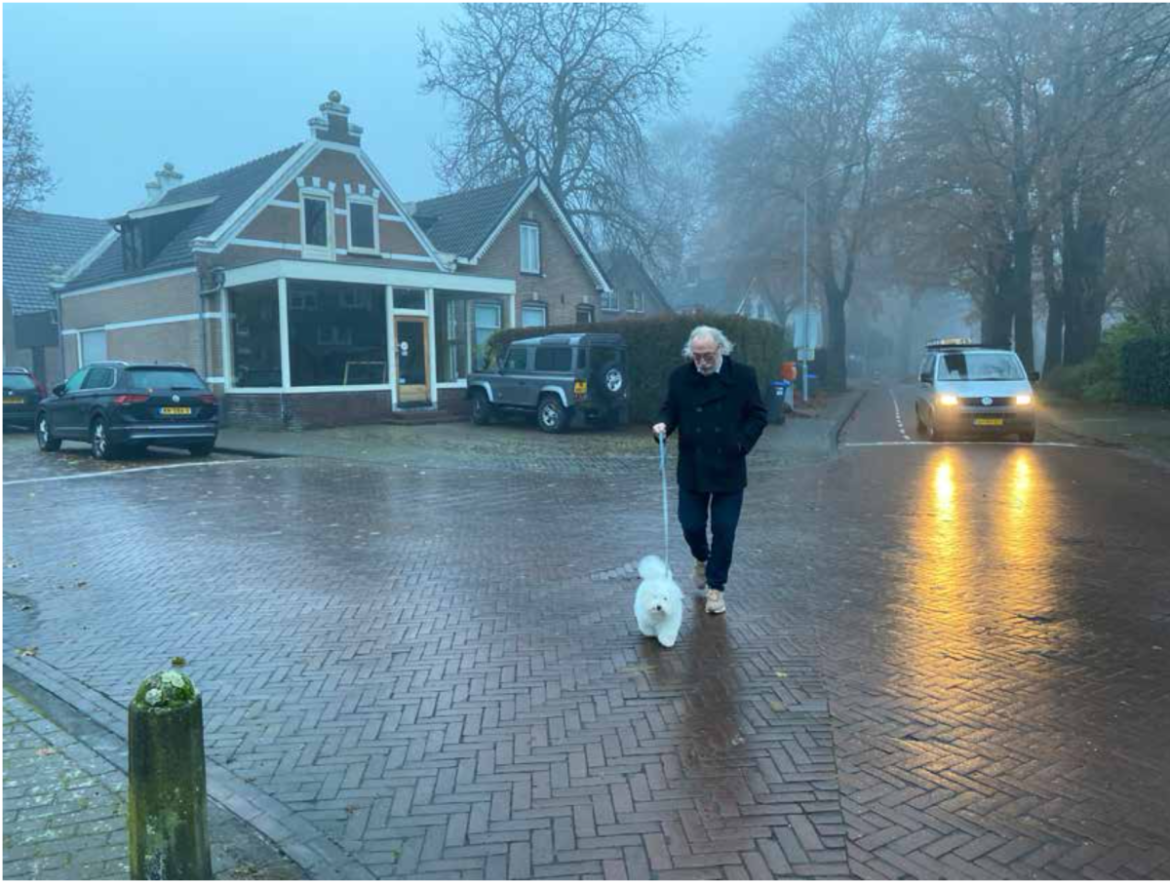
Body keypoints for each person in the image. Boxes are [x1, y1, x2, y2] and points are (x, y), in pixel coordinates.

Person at [652, 326, 768, 615]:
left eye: (707, 356)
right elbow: (669, 410)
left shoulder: (743, 376)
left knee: (724, 530)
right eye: (696, 356)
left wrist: (741, 443)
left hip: (729, 466)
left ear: (721, 350)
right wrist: (662, 426)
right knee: (690, 525)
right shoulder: (680, 377)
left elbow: (758, 415)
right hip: (693, 467)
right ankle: (701, 559)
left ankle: (716, 588)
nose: (701, 362)